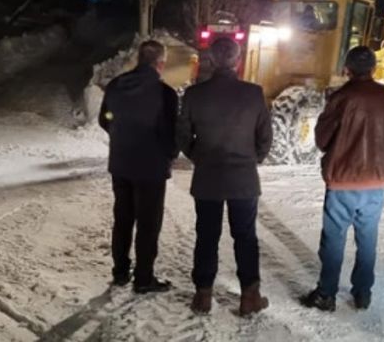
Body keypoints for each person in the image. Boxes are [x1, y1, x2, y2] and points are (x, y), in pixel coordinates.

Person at [177, 37, 273, 316]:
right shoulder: (253, 93)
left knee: (206, 235)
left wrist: (199, 157)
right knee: (245, 237)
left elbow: (182, 135)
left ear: (212, 60)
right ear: (238, 60)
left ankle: (203, 295)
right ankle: (249, 297)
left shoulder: (195, 95)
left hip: (208, 178)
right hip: (243, 180)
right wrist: (251, 159)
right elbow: (265, 137)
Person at [300, 46, 384, 312]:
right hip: (377, 179)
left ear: (347, 68)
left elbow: (322, 140)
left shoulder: (341, 97)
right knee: (368, 238)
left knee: (334, 239)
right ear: (374, 68)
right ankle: (363, 293)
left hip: (343, 179)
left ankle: (327, 293)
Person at [99, 40, 179, 294]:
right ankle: (143, 278)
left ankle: (120, 271)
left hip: (121, 163)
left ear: (138, 60)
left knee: (122, 218)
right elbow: (170, 133)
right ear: (160, 63)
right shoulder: (164, 93)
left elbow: (105, 118)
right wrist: (169, 154)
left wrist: (119, 133)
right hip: (151, 168)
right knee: (148, 223)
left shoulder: (116, 85)